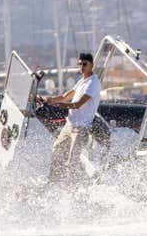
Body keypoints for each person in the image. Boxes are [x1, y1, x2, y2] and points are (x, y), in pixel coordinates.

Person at [41, 52, 102, 183]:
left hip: (81, 128)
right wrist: (45, 99)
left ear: (92, 65)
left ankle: (75, 189)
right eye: (79, 64)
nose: (82, 67)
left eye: (85, 64)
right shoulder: (82, 81)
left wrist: (60, 105)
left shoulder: (93, 83)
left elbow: (78, 104)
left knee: (72, 161)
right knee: (57, 151)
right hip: (69, 125)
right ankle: (53, 182)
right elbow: (64, 97)